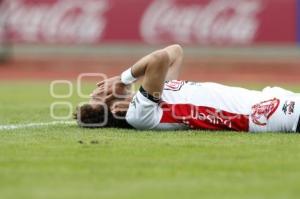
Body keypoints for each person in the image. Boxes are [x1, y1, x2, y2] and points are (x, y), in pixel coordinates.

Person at [74, 44, 300, 133]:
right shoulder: (139, 113)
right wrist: (123, 79)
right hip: (264, 114)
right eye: (100, 95)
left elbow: (176, 52)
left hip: (267, 98)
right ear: (114, 110)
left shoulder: (156, 95)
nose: (101, 88)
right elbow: (159, 58)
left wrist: (126, 81)